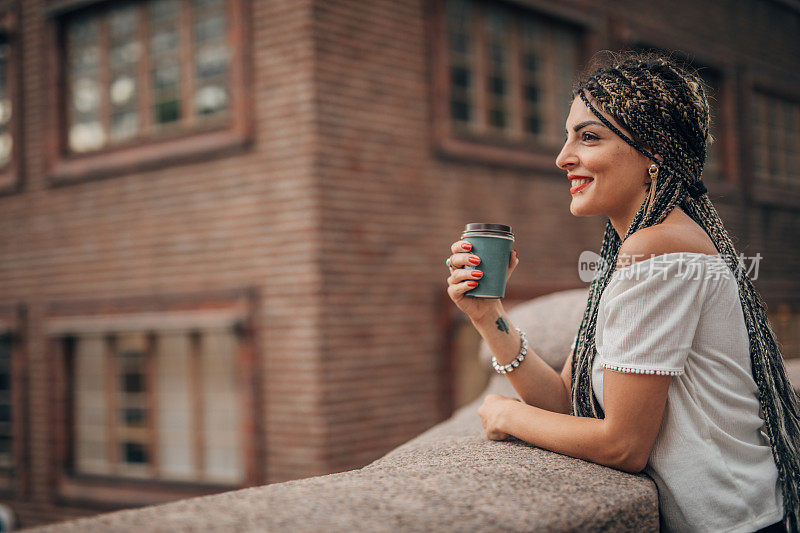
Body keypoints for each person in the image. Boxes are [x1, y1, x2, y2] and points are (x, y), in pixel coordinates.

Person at [445, 50, 799, 533]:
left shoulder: (657, 250)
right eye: (568, 135)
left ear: (654, 151)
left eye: (588, 137)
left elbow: (622, 445)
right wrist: (488, 316)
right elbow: (567, 401)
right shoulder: (643, 247)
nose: (563, 156)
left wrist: (506, 415)